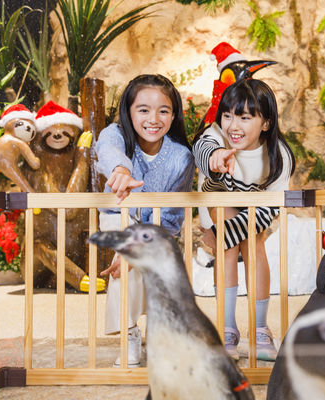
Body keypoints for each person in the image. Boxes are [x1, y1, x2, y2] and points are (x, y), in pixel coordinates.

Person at [93, 74, 194, 367]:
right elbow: (109, 151)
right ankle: (131, 332)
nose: (154, 119)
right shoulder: (115, 134)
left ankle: (147, 331)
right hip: (117, 223)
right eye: (143, 110)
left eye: (163, 110)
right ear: (129, 112)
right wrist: (122, 169)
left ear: (174, 115)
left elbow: (172, 218)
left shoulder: (181, 157)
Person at [192, 79, 295, 361]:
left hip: (256, 214)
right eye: (227, 115)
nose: (233, 126)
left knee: (253, 244)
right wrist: (215, 157)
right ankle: (227, 329)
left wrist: (229, 234)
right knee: (227, 241)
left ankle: (260, 328)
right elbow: (202, 153)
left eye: (245, 117)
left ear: (265, 123)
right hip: (218, 202)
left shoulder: (279, 156)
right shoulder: (215, 135)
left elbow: (269, 207)